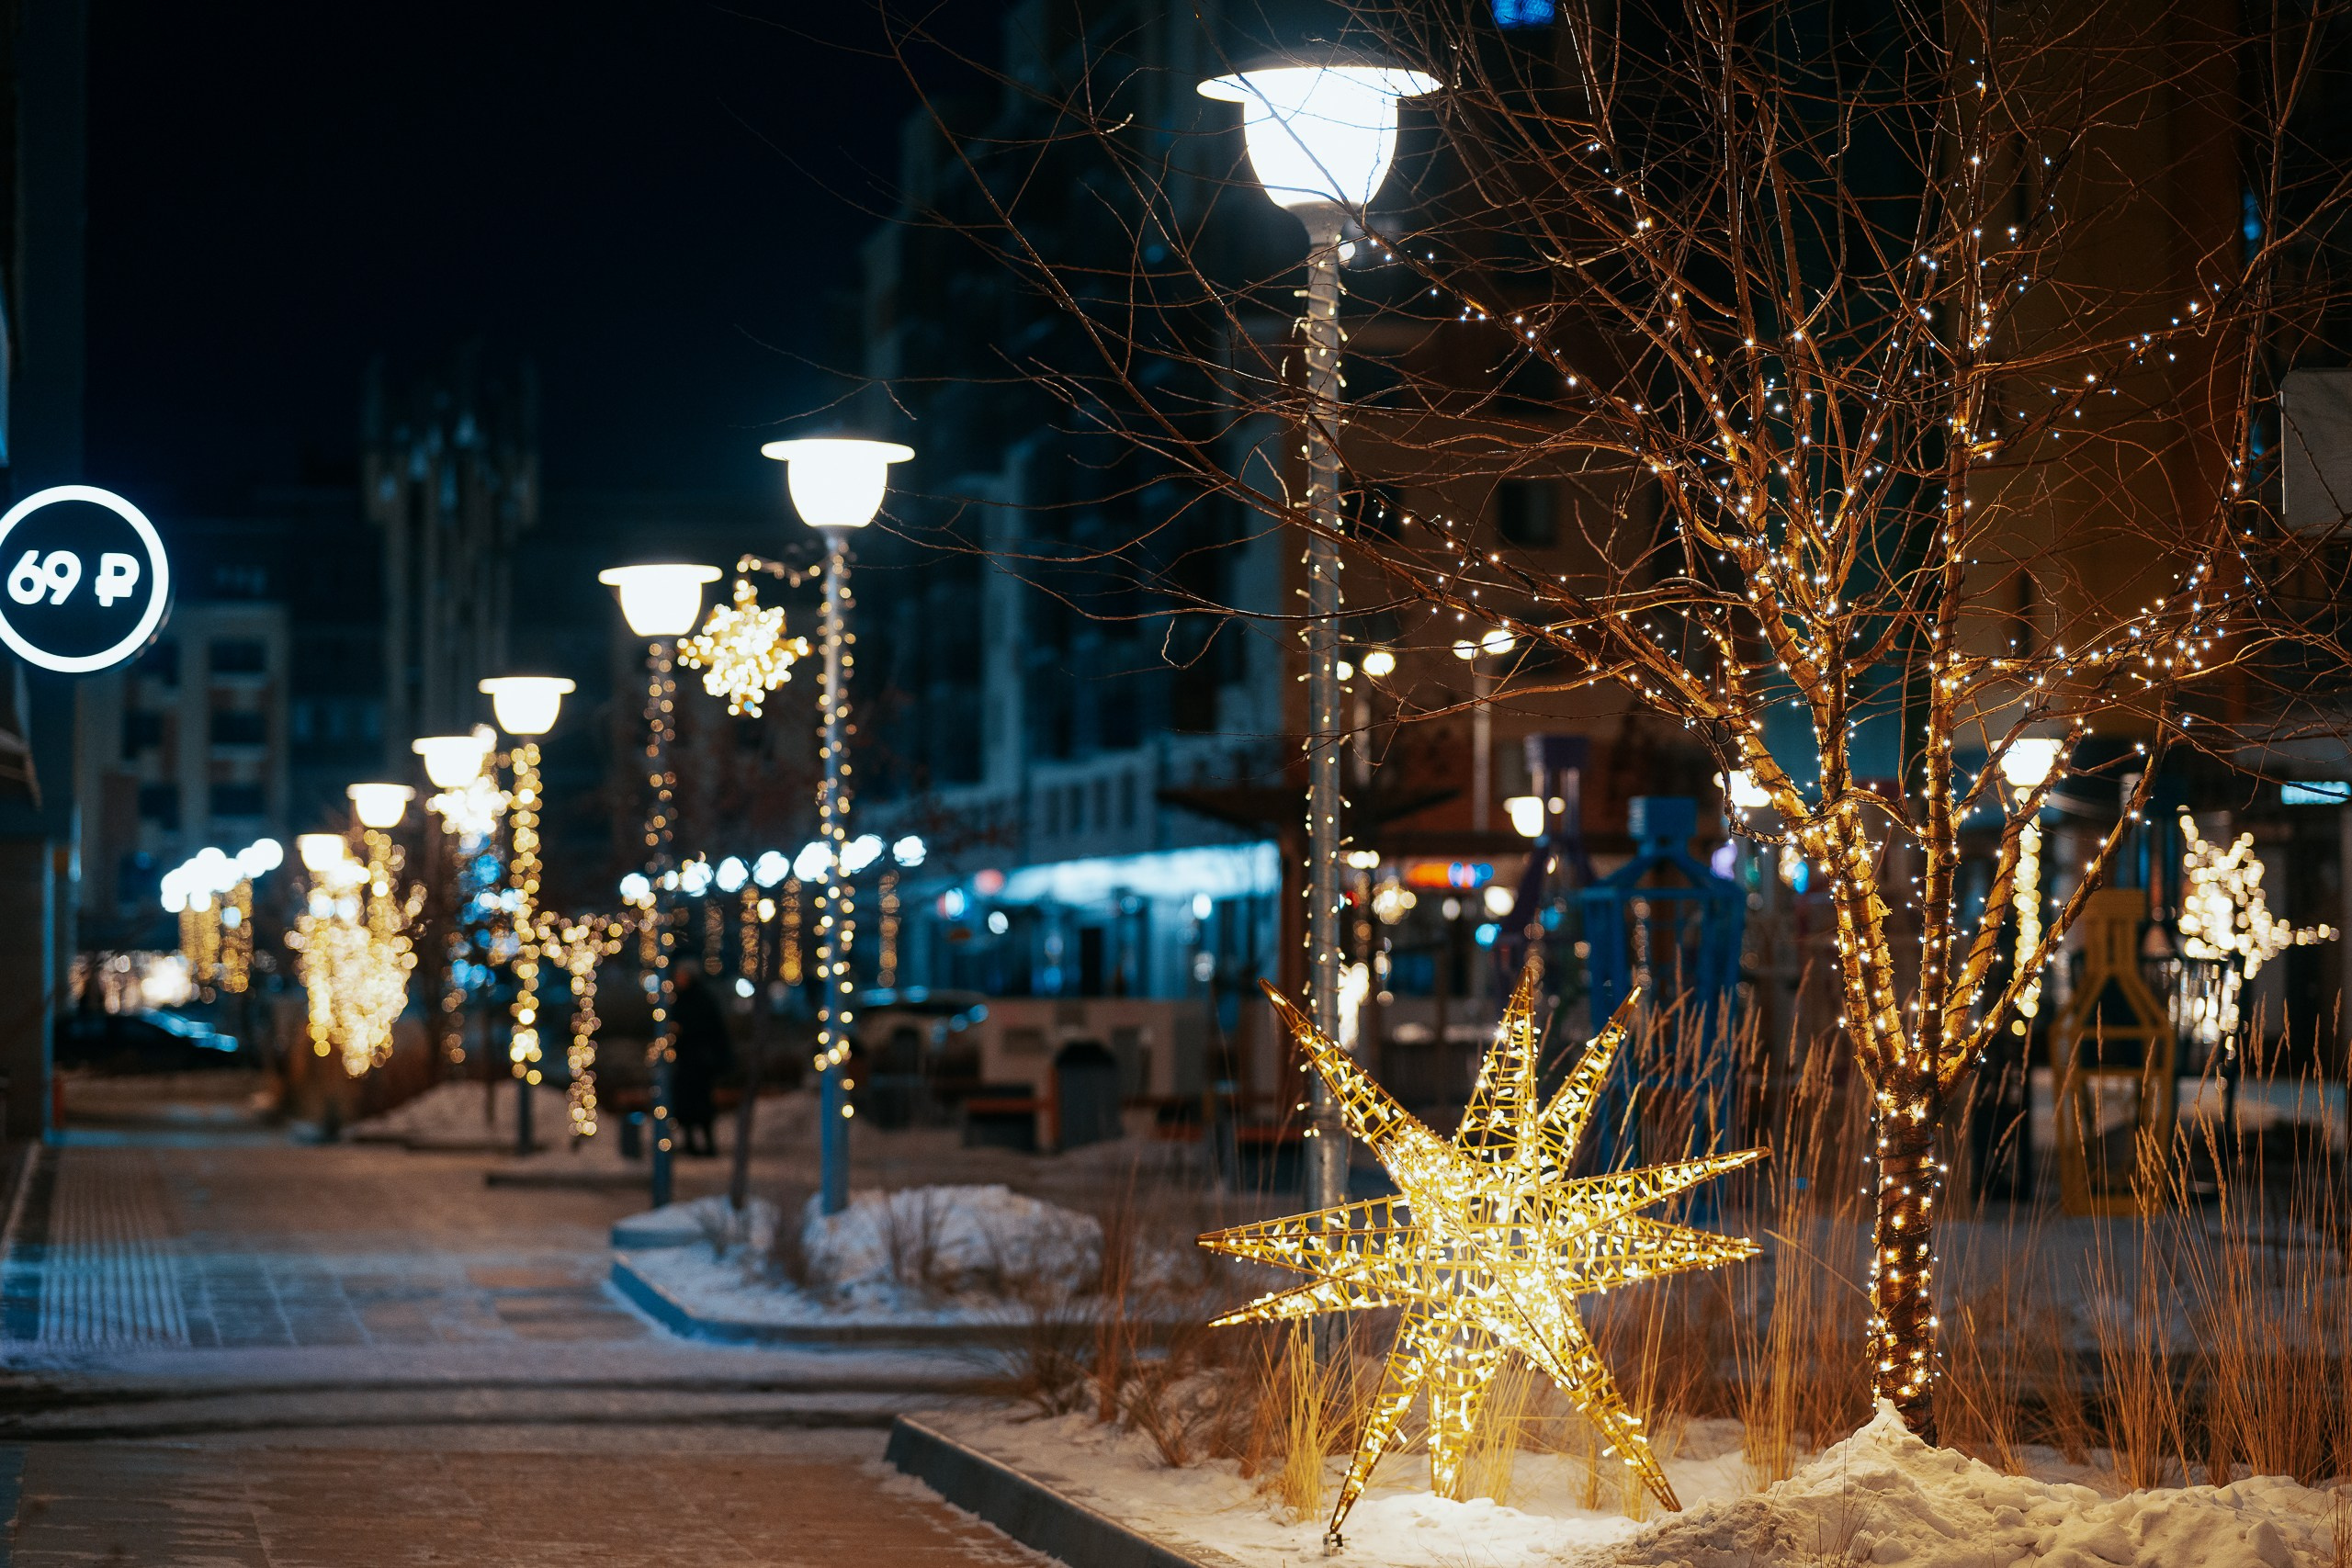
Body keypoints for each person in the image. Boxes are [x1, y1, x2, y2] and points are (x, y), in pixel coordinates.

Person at [670, 970, 734, 1156]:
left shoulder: (698, 1000)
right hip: (691, 1063)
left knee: (698, 1105)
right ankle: (692, 1142)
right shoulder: (688, 999)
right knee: (690, 1104)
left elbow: (707, 1029)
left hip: (697, 1063)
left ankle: (705, 1143)